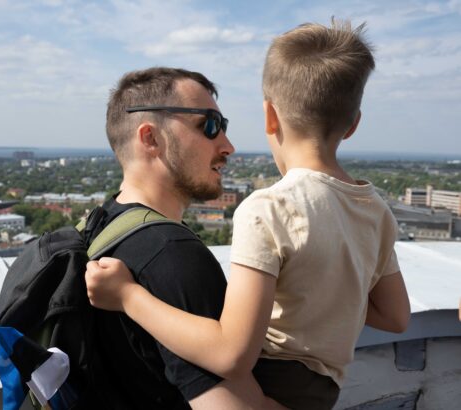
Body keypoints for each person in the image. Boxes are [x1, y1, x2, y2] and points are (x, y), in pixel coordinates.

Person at [85, 20, 411, 410]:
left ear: (270, 116)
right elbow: (395, 317)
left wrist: (127, 296)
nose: (229, 144)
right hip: (323, 391)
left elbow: (231, 355)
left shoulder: (269, 208)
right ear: (354, 123)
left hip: (273, 380)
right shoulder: (375, 209)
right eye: (210, 126)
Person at [85, 66, 283, 409]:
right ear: (150, 138)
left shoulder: (101, 226)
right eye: (209, 125)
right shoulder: (171, 255)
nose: (228, 146)